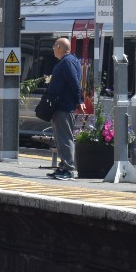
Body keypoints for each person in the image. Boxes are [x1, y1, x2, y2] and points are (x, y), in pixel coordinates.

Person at [43, 37, 83, 180]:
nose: (53, 49)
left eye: (54, 46)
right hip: (63, 105)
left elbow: (74, 82)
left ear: (59, 47)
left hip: (64, 106)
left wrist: (80, 100)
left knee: (64, 138)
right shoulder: (72, 61)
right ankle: (63, 166)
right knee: (61, 137)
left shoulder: (66, 62)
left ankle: (68, 169)